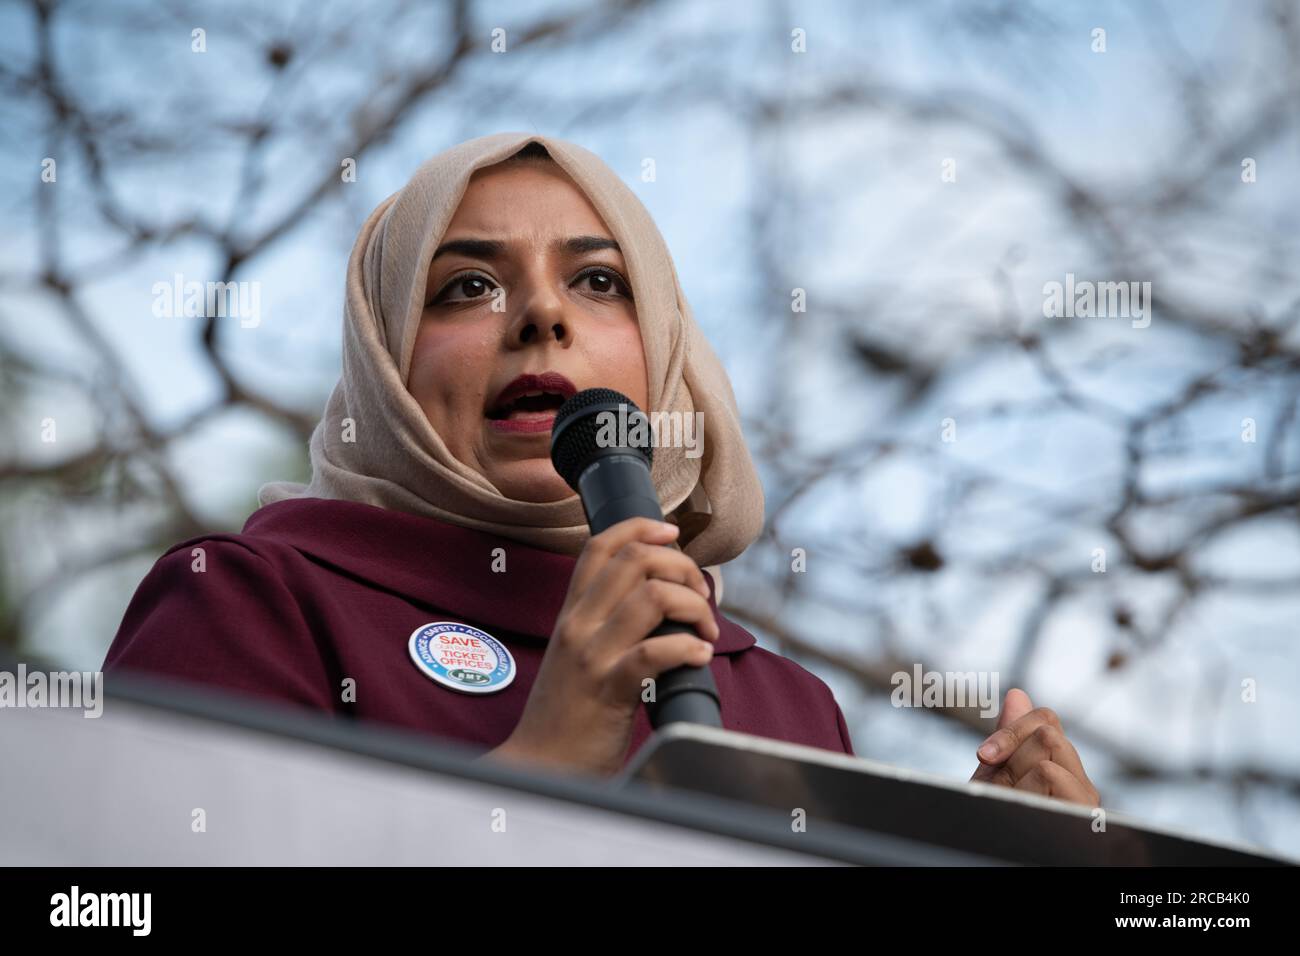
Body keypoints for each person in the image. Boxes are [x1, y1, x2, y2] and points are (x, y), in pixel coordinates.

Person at [104, 132, 1098, 805]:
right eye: (466, 285)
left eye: (596, 280)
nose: (543, 315)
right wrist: (550, 756)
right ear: (384, 363)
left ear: (664, 353)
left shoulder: (785, 703)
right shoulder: (246, 601)